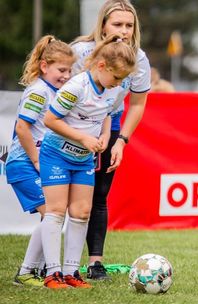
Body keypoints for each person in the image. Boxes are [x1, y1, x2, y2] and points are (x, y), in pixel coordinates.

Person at [39, 35, 137, 289]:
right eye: (117, 77)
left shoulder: (112, 89)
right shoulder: (76, 86)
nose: (119, 84)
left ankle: (72, 273)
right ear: (102, 66)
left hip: (83, 158)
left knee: (82, 212)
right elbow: (50, 120)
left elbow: (107, 115)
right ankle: (52, 274)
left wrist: (104, 136)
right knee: (56, 211)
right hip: (56, 154)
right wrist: (83, 137)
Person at [71, 0, 151, 280]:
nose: (124, 30)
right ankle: (55, 264)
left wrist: (121, 141)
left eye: (129, 25)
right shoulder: (81, 52)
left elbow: (138, 105)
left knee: (99, 196)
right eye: (117, 24)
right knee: (66, 198)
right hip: (73, 128)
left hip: (111, 127)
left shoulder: (138, 59)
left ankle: (95, 263)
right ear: (103, 25)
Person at [7, 35, 76, 287]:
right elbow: (23, 129)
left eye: (70, 70)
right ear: (45, 66)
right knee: (53, 216)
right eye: (61, 70)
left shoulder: (55, 91)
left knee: (53, 216)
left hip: (38, 163)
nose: (67, 75)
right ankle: (30, 272)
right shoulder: (38, 91)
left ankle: (30, 271)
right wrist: (36, 161)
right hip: (23, 164)